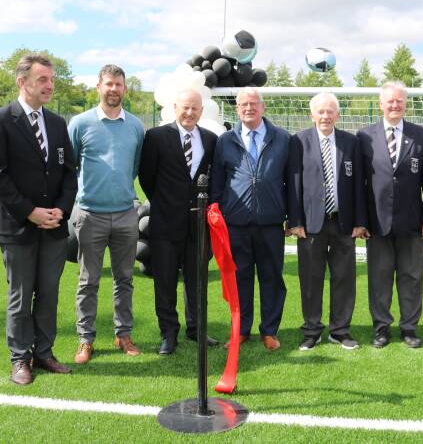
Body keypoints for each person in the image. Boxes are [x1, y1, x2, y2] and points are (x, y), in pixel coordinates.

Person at [0, 54, 78, 384]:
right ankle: (20, 358)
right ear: (22, 82)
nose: (50, 85)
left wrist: (61, 210)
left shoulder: (57, 123)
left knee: (49, 293)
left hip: (54, 226)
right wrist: (30, 212)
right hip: (17, 226)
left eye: (51, 80)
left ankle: (44, 353)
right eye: (42, 80)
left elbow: (69, 173)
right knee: (20, 296)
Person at [68, 64, 144, 363]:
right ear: (99, 87)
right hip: (90, 215)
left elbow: (134, 166)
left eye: (119, 84)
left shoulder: (136, 126)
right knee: (88, 281)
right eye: (109, 84)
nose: (114, 89)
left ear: (125, 88)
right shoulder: (80, 123)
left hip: (125, 213)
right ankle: (85, 339)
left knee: (125, 279)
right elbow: (71, 164)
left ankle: (123, 335)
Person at [357, 81, 423, 349]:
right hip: (376, 223)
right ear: (381, 104)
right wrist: (361, 221)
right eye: (390, 101)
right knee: (379, 278)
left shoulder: (421, 135)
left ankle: (409, 328)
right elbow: (359, 184)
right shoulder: (364, 136)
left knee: (412, 277)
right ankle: (381, 328)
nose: (395, 105)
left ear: (406, 104)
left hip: (412, 222)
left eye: (399, 101)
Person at [138, 88, 218, 355]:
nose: (189, 112)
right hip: (165, 224)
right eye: (185, 107)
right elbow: (147, 178)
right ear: (175, 108)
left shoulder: (210, 140)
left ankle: (196, 329)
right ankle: (168, 333)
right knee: (165, 282)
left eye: (195, 108)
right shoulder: (156, 137)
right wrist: (167, 204)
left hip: (198, 226)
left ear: (201, 111)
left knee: (197, 282)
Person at [210, 87, 290, 351]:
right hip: (236, 223)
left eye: (253, 103)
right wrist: (216, 213)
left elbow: (292, 182)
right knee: (239, 279)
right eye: (243, 104)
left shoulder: (282, 138)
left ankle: (269, 331)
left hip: (271, 223)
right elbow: (217, 182)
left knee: (272, 278)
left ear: (262, 107)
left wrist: (293, 217)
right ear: (237, 109)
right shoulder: (225, 141)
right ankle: (241, 330)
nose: (248, 108)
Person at [287, 93, 368, 351]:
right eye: (320, 111)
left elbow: (359, 185)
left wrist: (360, 221)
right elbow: (293, 184)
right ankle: (312, 331)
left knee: (344, 278)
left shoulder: (351, 142)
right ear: (312, 115)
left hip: (343, 223)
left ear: (338, 115)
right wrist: (295, 221)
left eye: (330, 111)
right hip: (310, 224)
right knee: (311, 279)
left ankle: (340, 331)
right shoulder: (298, 141)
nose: (325, 116)